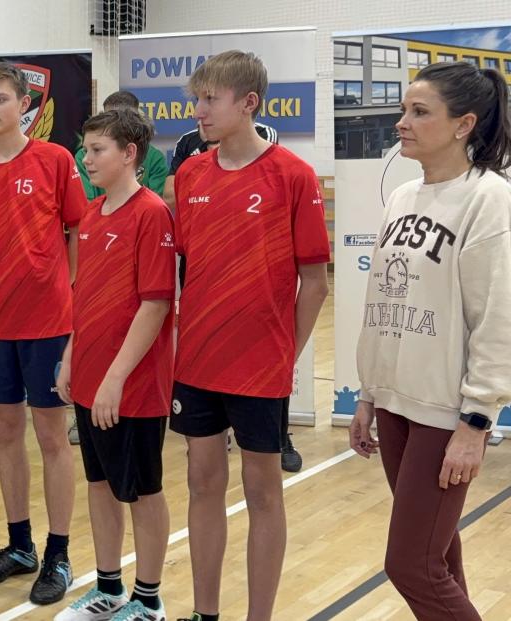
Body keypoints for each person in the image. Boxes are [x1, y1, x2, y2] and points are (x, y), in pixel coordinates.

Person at [169, 51, 329, 621]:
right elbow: (187, 268)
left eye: (210, 99)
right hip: (196, 363)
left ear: (249, 103)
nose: (198, 110)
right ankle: (205, 612)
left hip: (260, 367)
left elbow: (315, 283)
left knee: (262, 492)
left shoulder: (293, 175)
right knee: (201, 483)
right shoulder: (190, 174)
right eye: (196, 99)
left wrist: (285, 354)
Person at [350, 61, 510, 621]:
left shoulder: (489, 198)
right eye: (404, 110)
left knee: (411, 566)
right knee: (436, 558)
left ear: (464, 124)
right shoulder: (402, 197)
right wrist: (368, 395)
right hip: (394, 402)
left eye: (420, 112)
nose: (402, 122)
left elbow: (497, 320)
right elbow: (381, 302)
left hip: (445, 413)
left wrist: (476, 422)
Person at [0, 62, 85, 605]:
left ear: (23, 104)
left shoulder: (55, 160)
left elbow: (77, 229)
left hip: (48, 323)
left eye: (0, 99)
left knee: (52, 437)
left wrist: (65, 291)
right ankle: (20, 546)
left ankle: (58, 553)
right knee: (6, 432)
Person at [55, 107, 175, 621]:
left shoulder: (152, 213)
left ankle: (148, 600)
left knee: (143, 491)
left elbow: (155, 304)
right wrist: (70, 356)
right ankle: (108, 588)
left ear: (129, 154)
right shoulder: (91, 213)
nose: (86, 159)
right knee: (100, 485)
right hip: (89, 377)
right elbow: (83, 296)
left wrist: (115, 379)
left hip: (133, 387)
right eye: (85, 150)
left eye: (97, 150)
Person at [76, 91, 168, 199]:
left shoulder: (155, 157)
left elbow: (156, 200)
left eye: (123, 119)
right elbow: (85, 202)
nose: (118, 124)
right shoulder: (84, 156)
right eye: (110, 118)